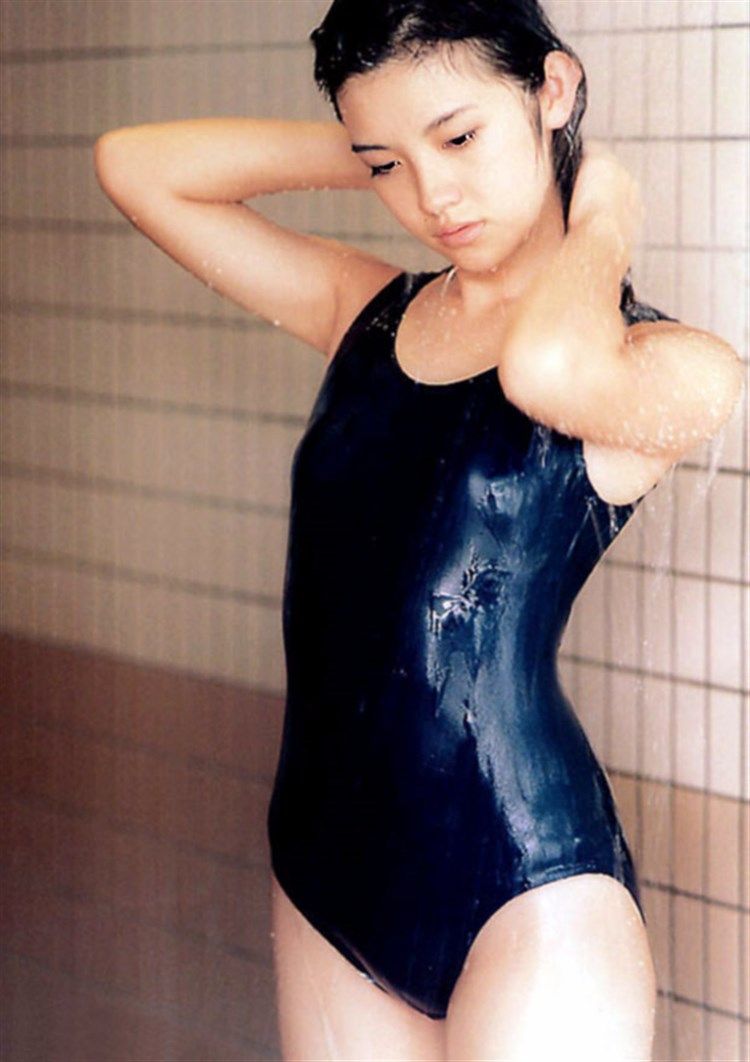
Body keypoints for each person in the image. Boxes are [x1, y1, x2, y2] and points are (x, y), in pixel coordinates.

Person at [93, 1, 743, 1058]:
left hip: (529, 885)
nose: (433, 198)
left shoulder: (673, 366)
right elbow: (136, 167)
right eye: (389, 166)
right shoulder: (367, 314)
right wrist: (388, 147)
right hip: (326, 870)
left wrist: (605, 214)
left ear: (554, 90)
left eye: (462, 137)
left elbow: (546, 372)